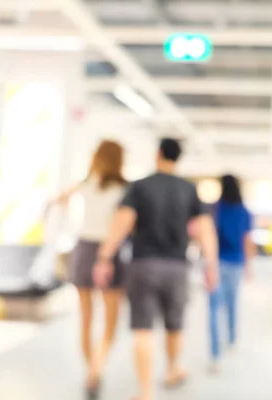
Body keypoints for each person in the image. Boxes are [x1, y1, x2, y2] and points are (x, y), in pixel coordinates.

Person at [93, 138, 219, 400]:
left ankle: (145, 392)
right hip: (177, 267)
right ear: (177, 158)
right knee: (175, 326)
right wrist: (211, 265)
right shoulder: (189, 189)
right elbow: (206, 231)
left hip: (143, 265)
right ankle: (172, 370)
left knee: (143, 329)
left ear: (158, 154)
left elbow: (122, 223)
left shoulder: (140, 187)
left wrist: (104, 257)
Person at [47, 140, 127, 398]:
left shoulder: (86, 183)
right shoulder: (124, 189)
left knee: (86, 319)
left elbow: (58, 200)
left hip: (84, 247)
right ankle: (95, 369)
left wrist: (69, 216)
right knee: (111, 321)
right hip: (109, 251)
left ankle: (91, 372)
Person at [209, 174, 255, 372]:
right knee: (232, 302)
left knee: (213, 308)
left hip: (216, 262)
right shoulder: (244, 211)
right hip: (235, 262)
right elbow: (247, 240)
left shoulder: (215, 209)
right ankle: (232, 338)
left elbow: (208, 236)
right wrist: (248, 265)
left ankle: (215, 354)